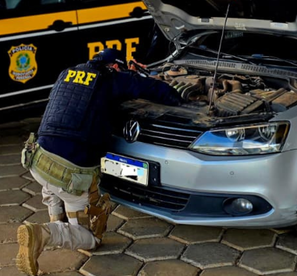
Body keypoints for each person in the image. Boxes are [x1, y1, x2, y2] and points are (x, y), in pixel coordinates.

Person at [16, 48, 182, 275]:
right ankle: (43, 234)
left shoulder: (66, 73)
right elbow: (156, 90)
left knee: (53, 170)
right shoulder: (111, 78)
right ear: (115, 66)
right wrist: (183, 98)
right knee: (92, 240)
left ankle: (57, 216)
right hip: (69, 174)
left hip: (37, 159)